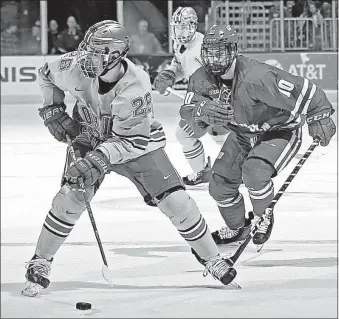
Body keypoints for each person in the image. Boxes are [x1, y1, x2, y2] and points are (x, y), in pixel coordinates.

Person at [21, 20, 237, 297]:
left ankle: (211, 257)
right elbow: (45, 74)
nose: (88, 57)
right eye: (89, 48)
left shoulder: (135, 85)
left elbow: (132, 140)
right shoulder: (72, 65)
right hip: (90, 136)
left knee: (177, 202)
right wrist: (52, 108)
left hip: (137, 145)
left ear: (116, 56)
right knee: (70, 196)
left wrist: (99, 158)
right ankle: (41, 260)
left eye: (98, 52)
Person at [180, 24, 336, 246]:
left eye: (220, 51)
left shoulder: (257, 76)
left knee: (254, 171)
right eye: (209, 52)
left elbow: (303, 89)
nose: (214, 58)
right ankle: (237, 229)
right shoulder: (200, 78)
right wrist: (200, 111)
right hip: (242, 133)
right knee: (219, 184)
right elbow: (188, 114)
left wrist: (319, 113)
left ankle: (263, 216)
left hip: (279, 130)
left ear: (233, 50)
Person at [153, 7, 228, 187]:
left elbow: (223, 71)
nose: (180, 32)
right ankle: (203, 172)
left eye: (184, 27)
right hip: (197, 102)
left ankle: (244, 168)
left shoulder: (205, 46)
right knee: (184, 135)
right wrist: (170, 74)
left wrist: (220, 96)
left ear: (193, 26)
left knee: (221, 136)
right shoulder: (178, 44)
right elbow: (178, 64)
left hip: (215, 99)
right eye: (177, 27)